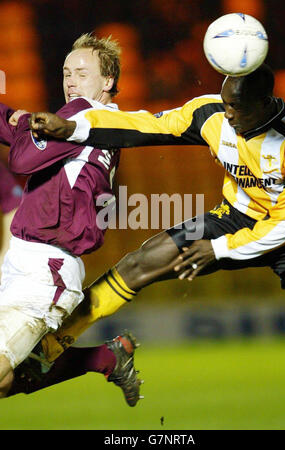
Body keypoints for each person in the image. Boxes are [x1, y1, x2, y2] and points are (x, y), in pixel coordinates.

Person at [26, 63, 285, 362]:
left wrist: (220, 248)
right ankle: (48, 348)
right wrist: (74, 128)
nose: (229, 114)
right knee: (141, 261)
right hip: (237, 216)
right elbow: (148, 126)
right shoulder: (210, 114)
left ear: (265, 103)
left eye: (237, 107)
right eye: (225, 104)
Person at [0, 33, 143, 407]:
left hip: (44, 269)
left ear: (108, 81)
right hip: (29, 262)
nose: (70, 83)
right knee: (8, 381)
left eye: (81, 73)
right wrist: (19, 122)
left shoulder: (84, 112)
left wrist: (24, 127)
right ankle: (105, 358)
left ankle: (100, 359)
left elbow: (21, 160)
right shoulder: (97, 125)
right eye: (66, 73)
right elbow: (24, 134)